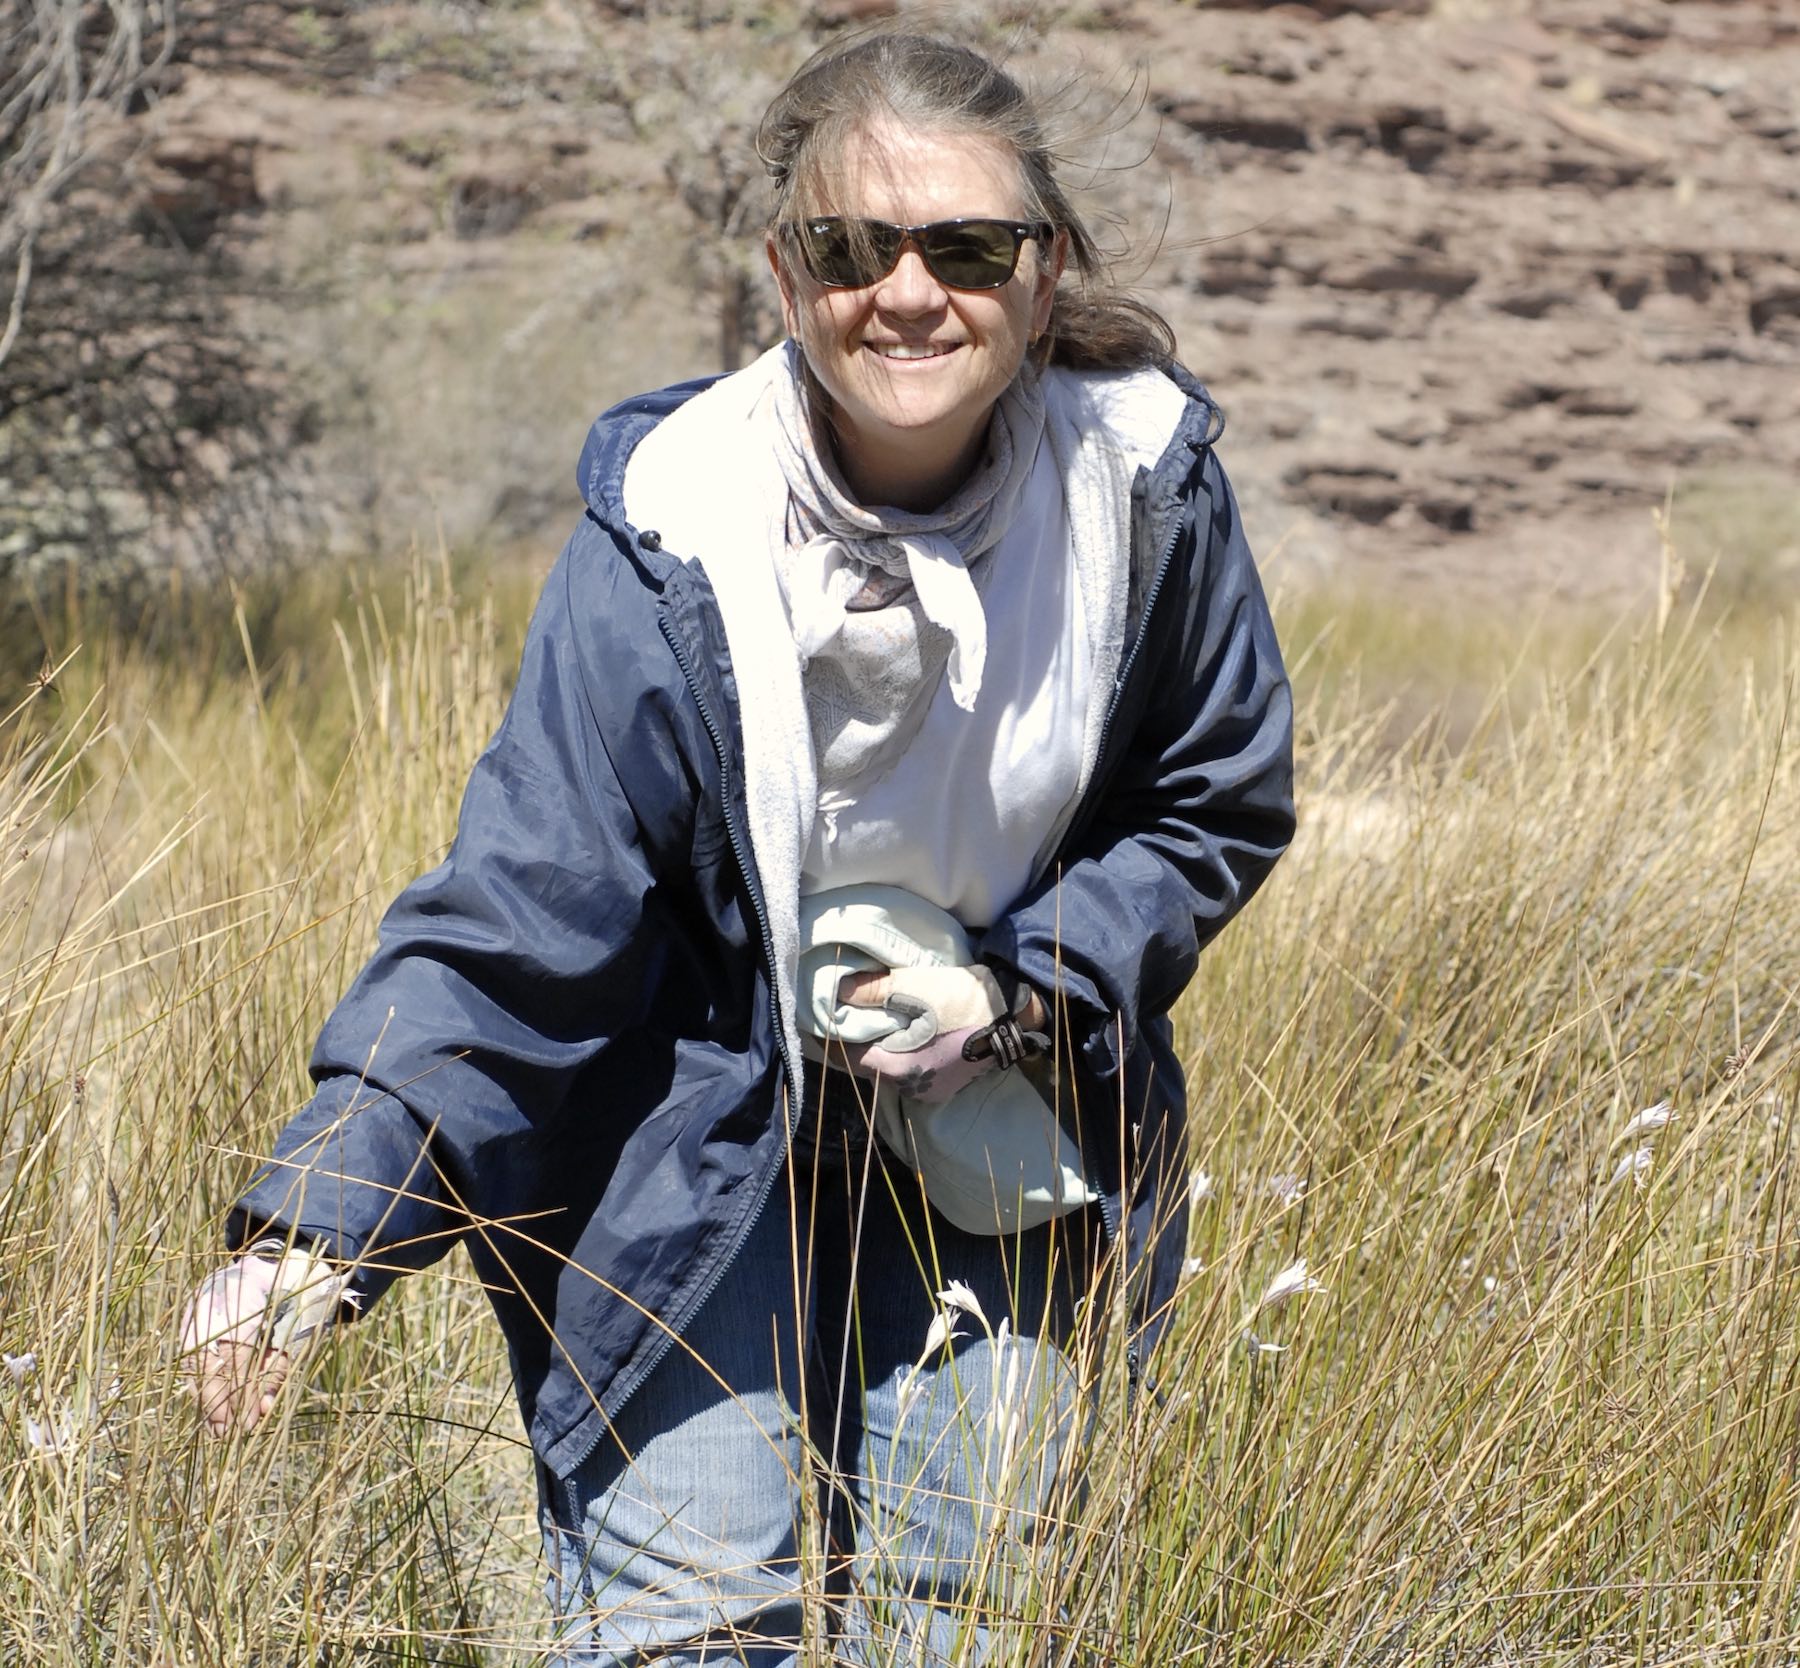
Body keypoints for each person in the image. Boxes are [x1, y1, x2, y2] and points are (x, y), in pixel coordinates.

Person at [178, 28, 1295, 1667]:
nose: (907, 293)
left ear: (1044, 273)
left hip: (1010, 1116)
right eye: (851, 248)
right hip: (681, 1123)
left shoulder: (1142, 491)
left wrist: (1025, 986)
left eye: (967, 248)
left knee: (970, 1622)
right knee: (691, 1629)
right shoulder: (673, 523)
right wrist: (315, 1230)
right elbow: (525, 914)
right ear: (785, 274)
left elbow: (1210, 802)